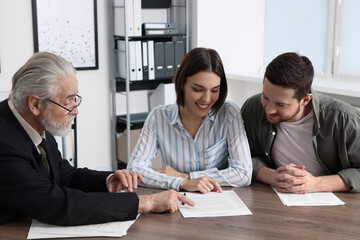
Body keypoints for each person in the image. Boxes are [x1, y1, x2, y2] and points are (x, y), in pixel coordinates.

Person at [0, 52, 194, 226]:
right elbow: (55, 203)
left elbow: (64, 175)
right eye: (68, 101)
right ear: (35, 104)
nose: (75, 110)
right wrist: (146, 202)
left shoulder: (35, 122)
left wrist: (108, 180)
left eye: (76, 99)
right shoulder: (5, 142)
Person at [127, 47, 252, 194]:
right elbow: (135, 170)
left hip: (220, 202)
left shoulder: (229, 113)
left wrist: (186, 177)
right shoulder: (158, 117)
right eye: (198, 89)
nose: (206, 99)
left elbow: (243, 173)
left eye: (214, 90)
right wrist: (182, 183)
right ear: (181, 84)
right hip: (176, 201)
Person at [241, 52, 360, 194]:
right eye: (265, 97)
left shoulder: (344, 118)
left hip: (331, 203)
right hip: (272, 197)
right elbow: (240, 157)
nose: (269, 110)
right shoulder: (253, 108)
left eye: (281, 104)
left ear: (305, 100)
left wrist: (316, 184)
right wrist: (270, 176)